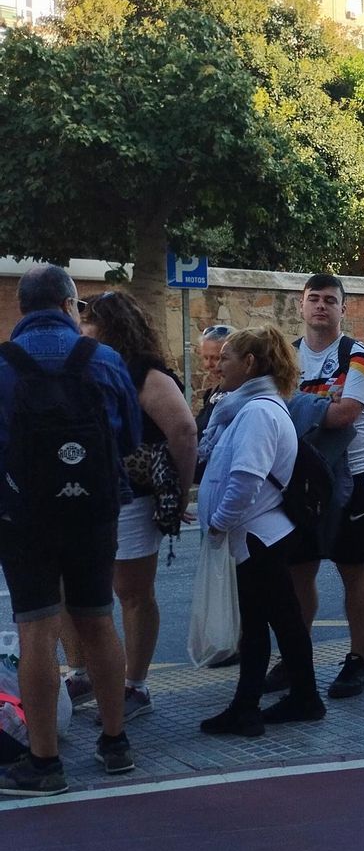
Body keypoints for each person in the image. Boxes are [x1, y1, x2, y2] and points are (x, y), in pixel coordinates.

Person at [0, 266, 141, 796]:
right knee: (99, 619)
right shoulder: (104, 360)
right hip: (94, 514)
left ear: (21, 309)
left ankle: (44, 763)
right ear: (68, 305)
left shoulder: (2, 366)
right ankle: (116, 743)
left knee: (38, 628)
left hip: (22, 518)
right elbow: (127, 438)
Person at [62, 292, 198, 721]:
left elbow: (184, 431)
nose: (81, 329)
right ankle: (81, 672)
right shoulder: (81, 365)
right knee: (69, 589)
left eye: (89, 322)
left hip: (131, 499)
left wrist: (177, 491)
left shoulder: (144, 373)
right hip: (83, 494)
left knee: (132, 593)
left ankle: (135, 686)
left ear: (111, 326)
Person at [195, 327, 324, 737]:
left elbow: (245, 480)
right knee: (270, 623)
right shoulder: (253, 408)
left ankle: (287, 702)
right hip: (260, 534)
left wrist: (218, 524)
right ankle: (264, 704)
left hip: (258, 536)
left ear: (250, 363)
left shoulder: (257, 412)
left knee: (270, 624)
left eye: (227, 358)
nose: (218, 366)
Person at [279, 274, 364, 699]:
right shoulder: (284, 355)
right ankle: (295, 658)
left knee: (352, 567)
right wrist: (323, 403)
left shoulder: (360, 354)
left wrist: (298, 405)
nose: (321, 306)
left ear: (343, 308)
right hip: (297, 478)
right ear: (300, 307)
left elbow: (348, 415)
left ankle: (358, 660)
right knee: (298, 570)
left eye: (330, 300)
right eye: (313, 299)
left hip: (352, 475)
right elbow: (271, 407)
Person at [194, 324, 235, 432]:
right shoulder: (211, 394)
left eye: (216, 358)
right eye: (205, 357)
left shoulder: (244, 397)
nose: (208, 364)